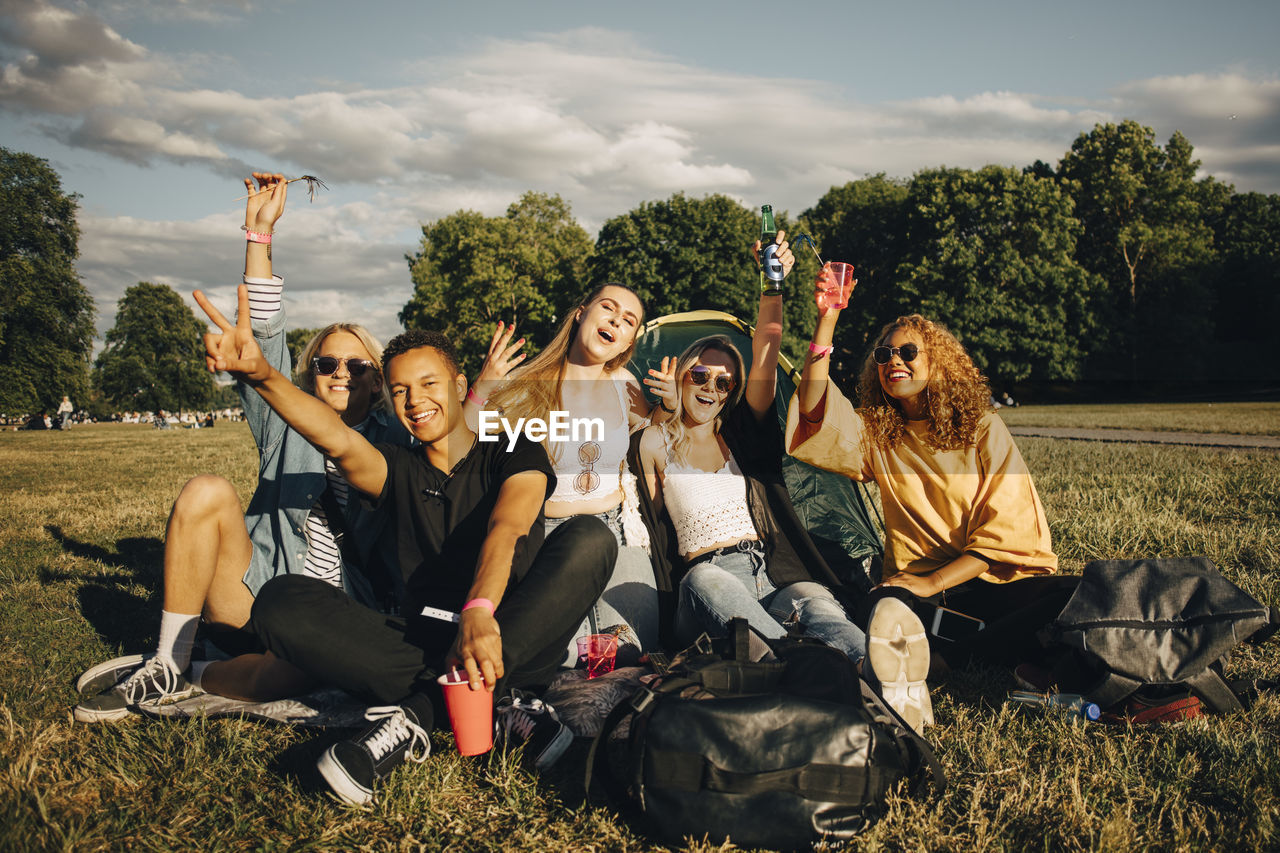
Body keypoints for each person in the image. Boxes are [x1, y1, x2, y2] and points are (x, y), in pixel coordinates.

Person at [198, 293, 617, 805]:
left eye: (428, 384)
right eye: (399, 391)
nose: (415, 401)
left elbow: (506, 529)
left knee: (591, 538)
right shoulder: (392, 465)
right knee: (281, 600)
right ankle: (495, 703)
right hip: (418, 643)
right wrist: (263, 374)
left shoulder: (512, 447)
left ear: (460, 387)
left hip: (508, 631)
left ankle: (414, 717)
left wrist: (479, 611)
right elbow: (334, 436)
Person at [74, 173, 412, 722]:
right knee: (206, 490)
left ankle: (193, 677)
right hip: (256, 595)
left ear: (377, 382)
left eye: (357, 366)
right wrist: (258, 236)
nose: (340, 373)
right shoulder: (283, 417)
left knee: (302, 669)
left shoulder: (393, 440)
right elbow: (265, 340)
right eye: (327, 363)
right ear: (310, 374)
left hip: (340, 617)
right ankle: (167, 659)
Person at [632, 236, 932, 729]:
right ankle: (809, 673)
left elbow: (766, 349)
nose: (711, 386)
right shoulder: (655, 445)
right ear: (682, 375)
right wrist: (661, 410)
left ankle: (887, 682)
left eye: (724, 382)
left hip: (768, 573)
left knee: (819, 606)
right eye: (701, 375)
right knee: (712, 582)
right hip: (704, 589)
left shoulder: (743, 442)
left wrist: (774, 284)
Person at [788, 274, 1069, 674]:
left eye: (907, 351)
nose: (893, 361)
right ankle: (1001, 652)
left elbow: (1006, 533)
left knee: (1075, 594)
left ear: (938, 364)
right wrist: (827, 319)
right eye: (883, 356)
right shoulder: (875, 434)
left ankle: (946, 661)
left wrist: (935, 581)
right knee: (884, 607)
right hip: (917, 593)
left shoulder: (982, 428)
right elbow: (812, 413)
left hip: (990, 580)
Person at [469, 283, 670, 656]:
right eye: (608, 308)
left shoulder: (624, 386)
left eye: (628, 321)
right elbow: (464, 446)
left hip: (617, 532)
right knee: (564, 659)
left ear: (627, 343)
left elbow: (652, 436)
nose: (616, 320)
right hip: (549, 539)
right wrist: (482, 388)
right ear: (581, 313)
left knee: (628, 655)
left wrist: (669, 409)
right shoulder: (526, 385)